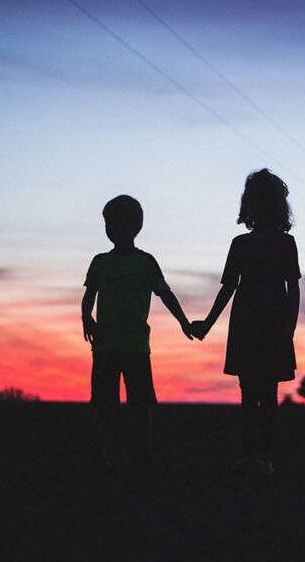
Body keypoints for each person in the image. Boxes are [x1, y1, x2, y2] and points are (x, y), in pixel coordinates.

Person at [192, 169, 301, 475]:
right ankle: (248, 455)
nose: (259, 204)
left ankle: (264, 458)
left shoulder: (285, 244)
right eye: (254, 198)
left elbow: (293, 288)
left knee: (267, 395)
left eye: (265, 198)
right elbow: (228, 287)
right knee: (248, 394)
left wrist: (289, 329)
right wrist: (208, 323)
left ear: (276, 204)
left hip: (274, 325)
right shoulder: (240, 244)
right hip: (245, 325)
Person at [81, 195, 194, 473]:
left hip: (136, 347)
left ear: (134, 226)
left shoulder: (145, 263)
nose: (111, 228)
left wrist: (183, 322)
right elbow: (89, 295)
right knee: (103, 405)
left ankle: (143, 456)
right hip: (105, 347)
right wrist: (86, 317)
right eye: (107, 222)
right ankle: (99, 455)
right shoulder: (100, 263)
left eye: (116, 221)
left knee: (141, 405)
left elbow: (165, 294)